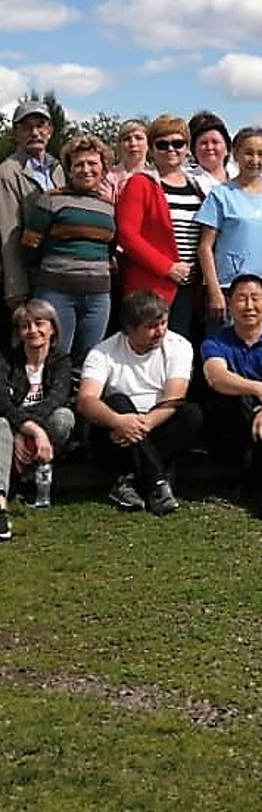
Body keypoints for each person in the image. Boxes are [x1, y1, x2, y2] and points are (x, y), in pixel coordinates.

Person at [76, 291, 202, 516]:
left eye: (163, 323)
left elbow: (175, 396)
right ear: (129, 329)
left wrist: (139, 427)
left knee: (191, 414)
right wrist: (119, 421)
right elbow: (86, 400)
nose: (160, 331)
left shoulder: (178, 345)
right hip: (116, 432)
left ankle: (132, 480)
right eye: (151, 327)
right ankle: (157, 483)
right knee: (116, 401)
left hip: (155, 426)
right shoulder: (103, 352)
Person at [201, 274, 262, 521]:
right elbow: (217, 377)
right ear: (230, 303)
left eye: (255, 298)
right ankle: (244, 472)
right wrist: (259, 389)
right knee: (231, 396)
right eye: (242, 299)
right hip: (231, 423)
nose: (249, 306)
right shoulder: (215, 340)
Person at [23, 133, 116, 374]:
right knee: (54, 356)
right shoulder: (51, 200)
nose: (86, 169)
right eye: (79, 164)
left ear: (104, 167)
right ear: (69, 169)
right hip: (56, 293)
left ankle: (79, 408)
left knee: (89, 360)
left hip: (97, 298)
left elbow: (110, 248)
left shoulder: (109, 206)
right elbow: (30, 247)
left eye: (92, 163)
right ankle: (53, 409)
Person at [115, 116, 202, 340]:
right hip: (152, 286)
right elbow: (127, 236)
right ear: (151, 149)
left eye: (178, 143)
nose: (170, 149)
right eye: (162, 144)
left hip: (189, 287)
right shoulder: (140, 183)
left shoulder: (197, 187)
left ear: (187, 148)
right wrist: (168, 268)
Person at [195, 127, 262, 325]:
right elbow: (205, 247)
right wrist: (214, 291)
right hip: (228, 290)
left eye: (261, 154)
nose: (254, 160)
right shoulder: (221, 195)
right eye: (248, 153)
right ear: (236, 155)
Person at [0, 300, 74, 518]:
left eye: (39, 324)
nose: (33, 331)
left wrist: (32, 431)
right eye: (25, 326)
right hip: (12, 427)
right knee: (0, 424)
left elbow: (56, 400)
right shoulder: (6, 360)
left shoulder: (61, 362)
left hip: (42, 429)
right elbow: (3, 403)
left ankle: (35, 475)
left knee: (63, 417)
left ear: (52, 328)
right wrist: (30, 430)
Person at [0, 98, 66, 312]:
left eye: (40, 125)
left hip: (59, 273)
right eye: (26, 127)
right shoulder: (8, 172)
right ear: (16, 133)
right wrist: (15, 288)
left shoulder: (58, 167)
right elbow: (9, 233)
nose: (34, 133)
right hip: (31, 277)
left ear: (50, 131)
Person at [186, 111, 234, 196]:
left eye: (215, 142)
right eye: (203, 143)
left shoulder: (242, 177)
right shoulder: (187, 181)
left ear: (227, 147)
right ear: (193, 149)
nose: (209, 147)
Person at [103, 119, 149, 203]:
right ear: (119, 145)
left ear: (148, 144)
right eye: (126, 139)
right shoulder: (109, 178)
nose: (133, 143)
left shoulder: (156, 176)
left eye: (139, 138)